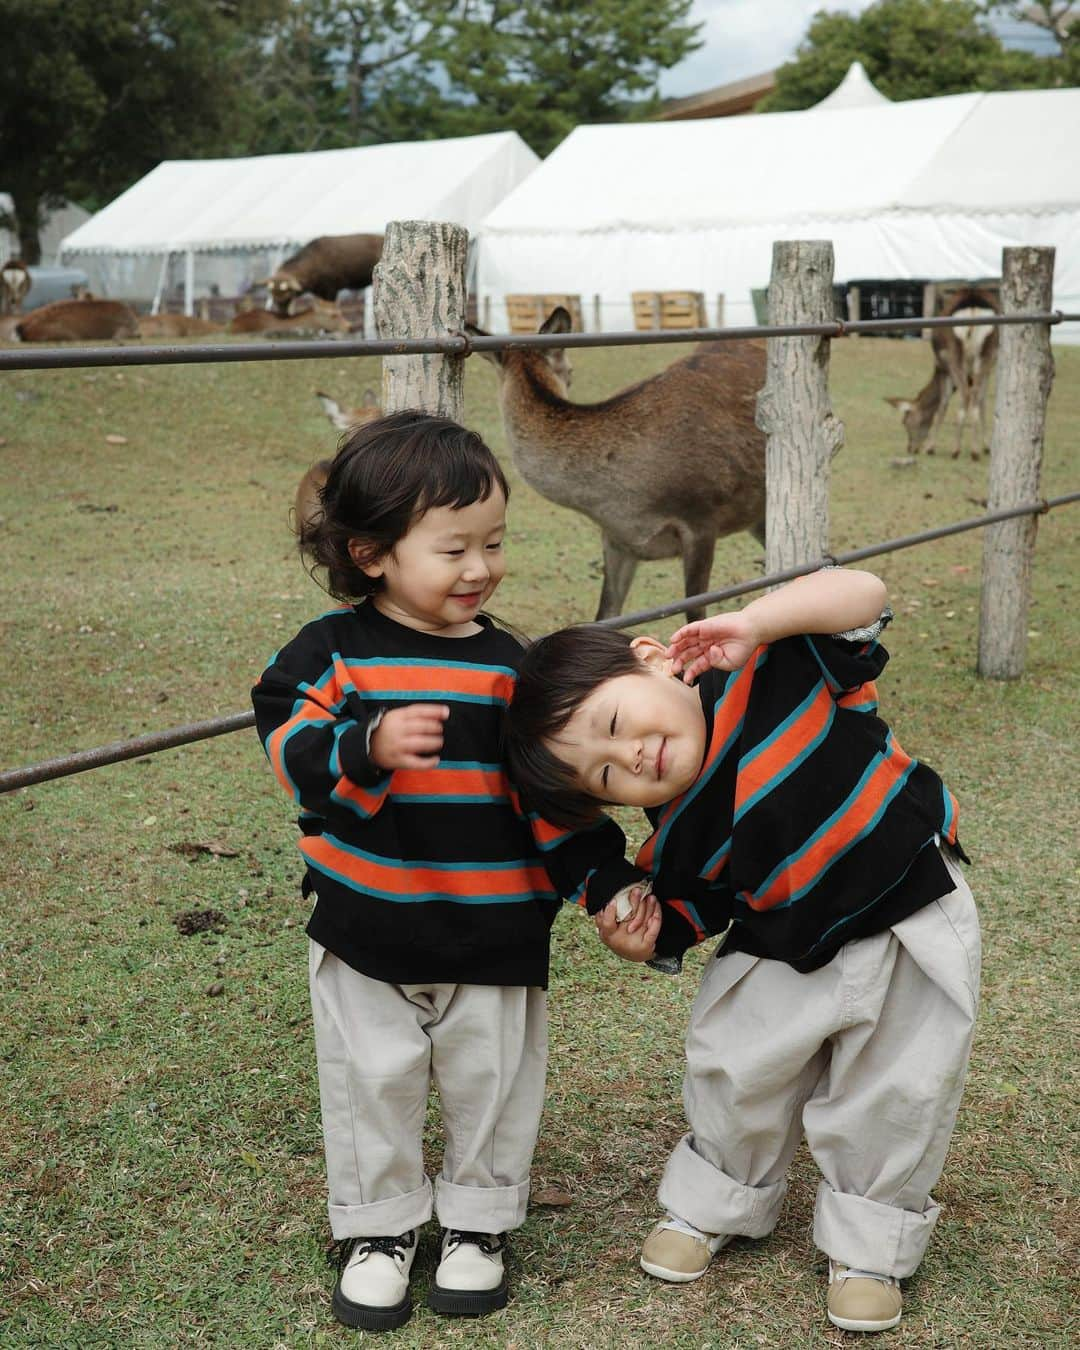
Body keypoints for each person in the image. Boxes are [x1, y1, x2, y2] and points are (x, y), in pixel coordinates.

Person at [504, 569, 980, 1334]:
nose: (632, 756)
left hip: (907, 898)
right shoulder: (674, 833)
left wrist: (760, 620)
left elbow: (864, 592)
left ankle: (869, 1240)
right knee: (735, 1062)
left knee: (901, 1083)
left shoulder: (779, 660)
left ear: (655, 657)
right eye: (604, 773)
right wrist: (639, 936)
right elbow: (692, 913)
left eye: (618, 720)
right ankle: (718, 1199)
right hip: (780, 936)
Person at [251, 411, 642, 1332]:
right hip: (365, 927)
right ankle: (379, 1231)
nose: (481, 568)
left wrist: (604, 885)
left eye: (495, 543)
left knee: (493, 1082)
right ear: (372, 553)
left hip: (497, 931)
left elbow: (559, 801)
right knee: (370, 1080)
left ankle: (478, 1223)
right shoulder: (330, 654)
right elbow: (285, 734)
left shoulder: (517, 671)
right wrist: (366, 746)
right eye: (454, 548)